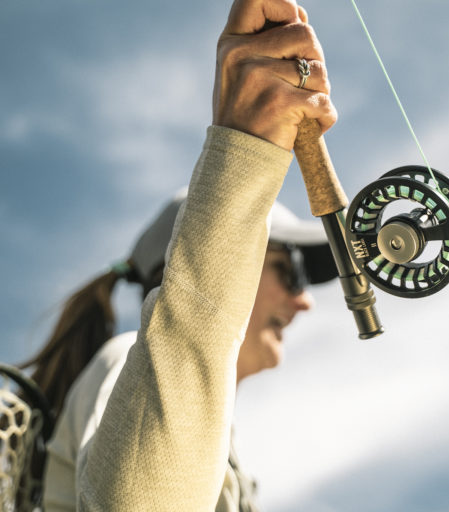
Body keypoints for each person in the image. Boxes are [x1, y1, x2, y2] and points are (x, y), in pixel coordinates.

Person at [24, 0, 340, 509]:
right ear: (196, 253)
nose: (304, 303)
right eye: (291, 271)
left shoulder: (218, 443)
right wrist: (244, 152)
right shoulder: (123, 362)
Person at [28, 190, 337, 511]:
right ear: (212, 269)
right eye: (291, 272)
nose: (304, 302)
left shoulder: (216, 431)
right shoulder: (133, 367)